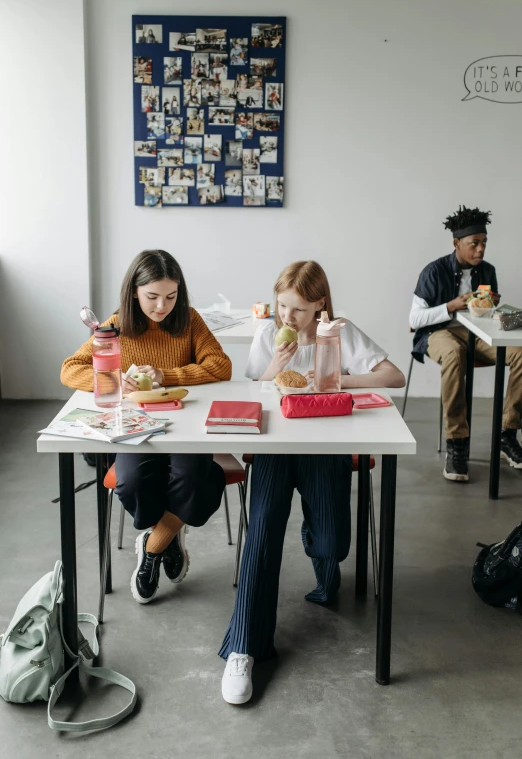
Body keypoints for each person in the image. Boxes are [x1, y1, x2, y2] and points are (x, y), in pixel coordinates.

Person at [218, 260, 405, 705]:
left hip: (325, 446)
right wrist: (273, 369)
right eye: (283, 306)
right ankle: (243, 647)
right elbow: (252, 394)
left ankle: (321, 555)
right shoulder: (268, 335)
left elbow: (393, 377)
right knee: (261, 536)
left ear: (320, 304)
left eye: (298, 309)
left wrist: (339, 377)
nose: (287, 317)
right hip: (276, 448)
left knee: (332, 545)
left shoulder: (337, 333)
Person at [61, 250, 232, 604]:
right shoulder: (114, 326)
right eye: (152, 297)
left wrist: (165, 376)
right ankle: (168, 536)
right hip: (136, 429)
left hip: (185, 428)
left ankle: (153, 547)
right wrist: (113, 380)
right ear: (134, 292)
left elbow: (221, 366)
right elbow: (69, 369)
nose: (161, 306)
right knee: (132, 482)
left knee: (193, 479)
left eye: (171, 296)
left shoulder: (189, 321)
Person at [409, 205, 522, 481]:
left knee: (520, 352)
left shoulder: (487, 271)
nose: (481, 250)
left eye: (484, 243)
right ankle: (457, 443)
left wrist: (494, 306)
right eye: (474, 244)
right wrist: (451, 306)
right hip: (439, 333)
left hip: (478, 334)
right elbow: (414, 319)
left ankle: (507, 433)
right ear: (456, 243)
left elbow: (489, 315)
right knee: (454, 354)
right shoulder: (434, 271)